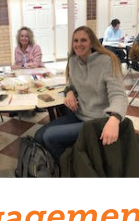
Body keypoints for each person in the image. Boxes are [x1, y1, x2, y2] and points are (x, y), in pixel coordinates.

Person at [34, 26, 128, 162]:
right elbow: (71, 82)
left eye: (83, 40)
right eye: (75, 41)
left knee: (49, 136)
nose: (78, 44)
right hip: (80, 114)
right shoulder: (73, 60)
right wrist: (70, 92)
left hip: (99, 120)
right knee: (38, 136)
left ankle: (72, 168)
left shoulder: (107, 60)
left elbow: (118, 94)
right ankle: (69, 162)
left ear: (92, 43)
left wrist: (115, 118)